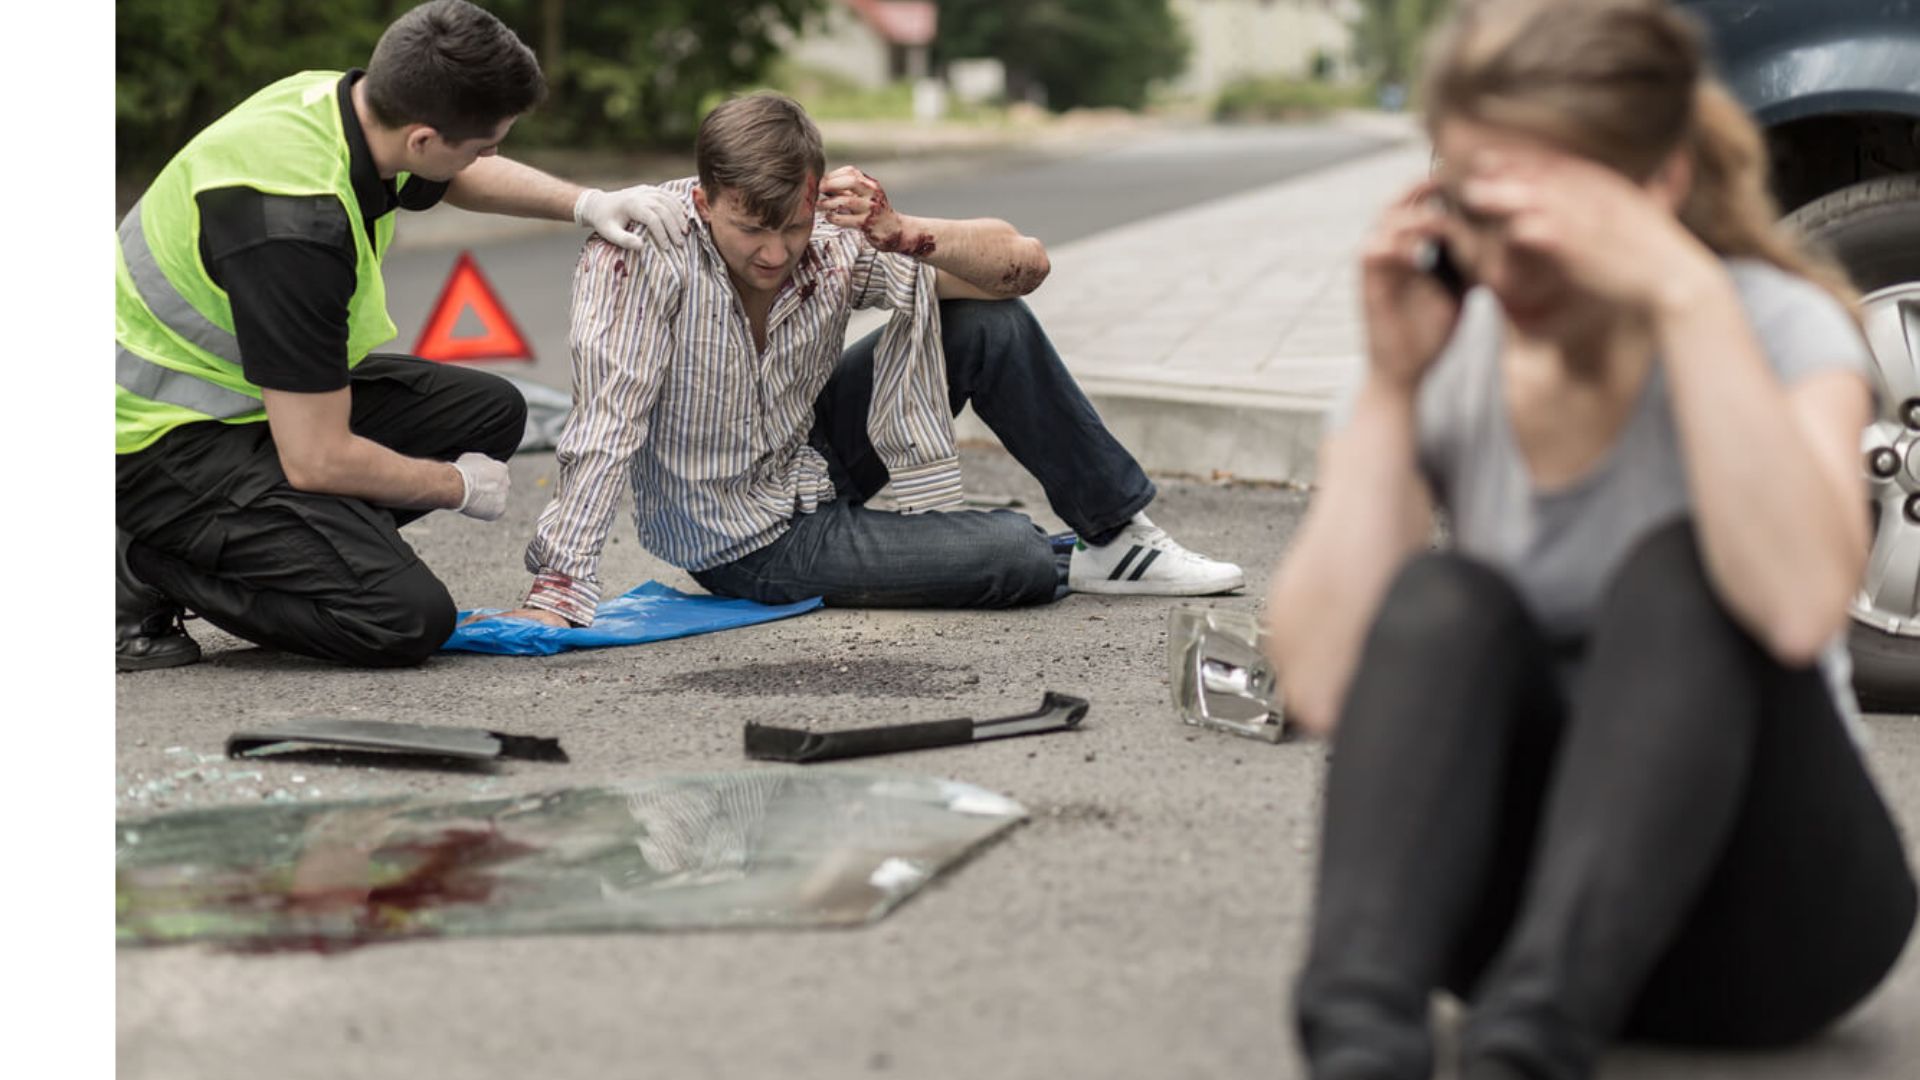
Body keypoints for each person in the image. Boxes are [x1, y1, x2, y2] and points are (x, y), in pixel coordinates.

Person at [1264, 1, 1918, 1077]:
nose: (1506, 256)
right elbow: (1324, 680)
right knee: (1445, 599)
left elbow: (1801, 610)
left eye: (1544, 211)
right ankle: (1357, 1041)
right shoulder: (1447, 346)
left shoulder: (1772, 321)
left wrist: (1681, 291)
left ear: (1655, 184)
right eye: (1476, 207)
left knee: (1685, 574)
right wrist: (1389, 389)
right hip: (1507, 924)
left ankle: (1530, 1051)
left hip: (1774, 926)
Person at [480, 92, 1243, 628]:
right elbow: (607, 422)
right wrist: (560, 581)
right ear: (706, 201)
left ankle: (1121, 536)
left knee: (988, 322)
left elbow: (1025, 266)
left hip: (809, 455)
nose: (776, 252)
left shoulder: (840, 232)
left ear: (815, 197)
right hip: (746, 537)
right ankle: (1060, 558)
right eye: (751, 228)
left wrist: (903, 228)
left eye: (794, 226)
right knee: (1014, 557)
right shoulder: (644, 250)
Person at [115, 0, 682, 671]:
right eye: (485, 145)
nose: (490, 156)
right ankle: (145, 564)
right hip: (155, 447)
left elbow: (457, 171)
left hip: (238, 403)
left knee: (491, 412)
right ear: (421, 139)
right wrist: (451, 486)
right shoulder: (292, 227)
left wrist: (587, 203)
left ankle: (298, 551)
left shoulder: (342, 103)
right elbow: (317, 460)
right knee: (403, 619)